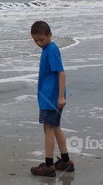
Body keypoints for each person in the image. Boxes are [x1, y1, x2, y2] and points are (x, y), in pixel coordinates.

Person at [30, 20, 74, 176]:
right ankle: (65, 161)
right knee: (55, 128)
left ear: (50, 35)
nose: (38, 43)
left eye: (41, 39)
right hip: (49, 97)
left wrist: (61, 97)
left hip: (52, 98)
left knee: (48, 128)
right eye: (35, 40)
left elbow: (61, 73)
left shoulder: (51, 49)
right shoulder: (47, 49)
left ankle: (49, 165)